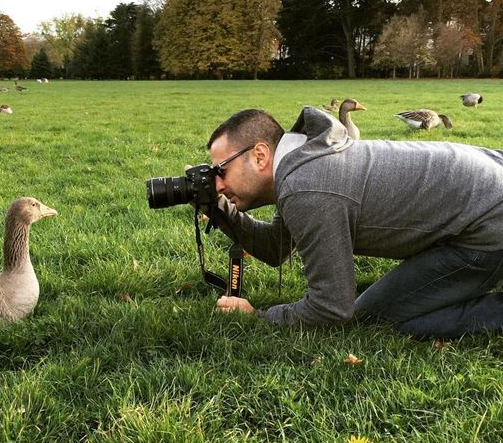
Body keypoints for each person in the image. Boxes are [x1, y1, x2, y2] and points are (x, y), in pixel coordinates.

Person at [205, 106, 503, 338]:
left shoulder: (307, 187)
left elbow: (331, 309)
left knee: (377, 317)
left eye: (221, 170)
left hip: (487, 228)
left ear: (259, 156)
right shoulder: (303, 161)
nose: (217, 183)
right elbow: (276, 247)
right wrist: (216, 206)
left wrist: (258, 316)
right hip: (488, 189)